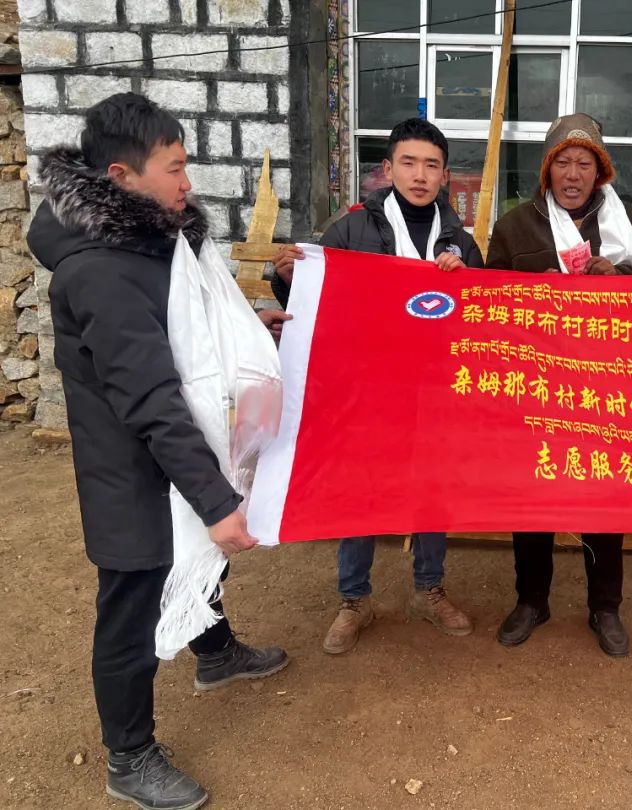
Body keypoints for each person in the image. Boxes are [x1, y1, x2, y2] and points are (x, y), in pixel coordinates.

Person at [26, 93, 288, 810]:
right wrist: (217, 502)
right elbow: (151, 396)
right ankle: (129, 757)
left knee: (199, 558)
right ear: (121, 175)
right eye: (174, 168)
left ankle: (215, 653)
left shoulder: (153, 242)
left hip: (175, 451)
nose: (187, 182)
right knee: (132, 604)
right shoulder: (99, 270)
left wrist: (250, 329)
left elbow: (189, 332)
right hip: (132, 471)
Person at [271, 118, 483, 654]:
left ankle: (428, 590)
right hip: (365, 392)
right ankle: (354, 600)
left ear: (446, 176)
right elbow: (316, 301)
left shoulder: (460, 241)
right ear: (388, 169)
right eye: (409, 163)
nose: (420, 175)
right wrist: (289, 278)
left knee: (431, 488)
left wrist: (466, 280)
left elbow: (478, 320)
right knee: (361, 489)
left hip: (433, 392)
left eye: (432, 165)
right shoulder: (350, 231)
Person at [486, 113, 632, 658]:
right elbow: (486, 303)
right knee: (532, 495)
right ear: (547, 170)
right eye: (562, 162)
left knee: (603, 497)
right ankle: (531, 600)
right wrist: (531, 293)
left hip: (606, 384)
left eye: (584, 164)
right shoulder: (515, 227)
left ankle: (604, 607)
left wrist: (620, 278)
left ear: (600, 171)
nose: (573, 174)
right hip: (536, 385)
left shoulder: (627, 223)